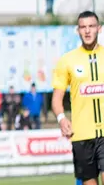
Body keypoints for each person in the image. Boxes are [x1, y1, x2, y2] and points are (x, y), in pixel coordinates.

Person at [52, 11, 104, 185]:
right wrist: (61, 118)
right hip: (81, 135)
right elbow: (57, 98)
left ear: (99, 29)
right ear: (78, 30)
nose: (87, 31)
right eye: (83, 27)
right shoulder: (67, 60)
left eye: (91, 26)